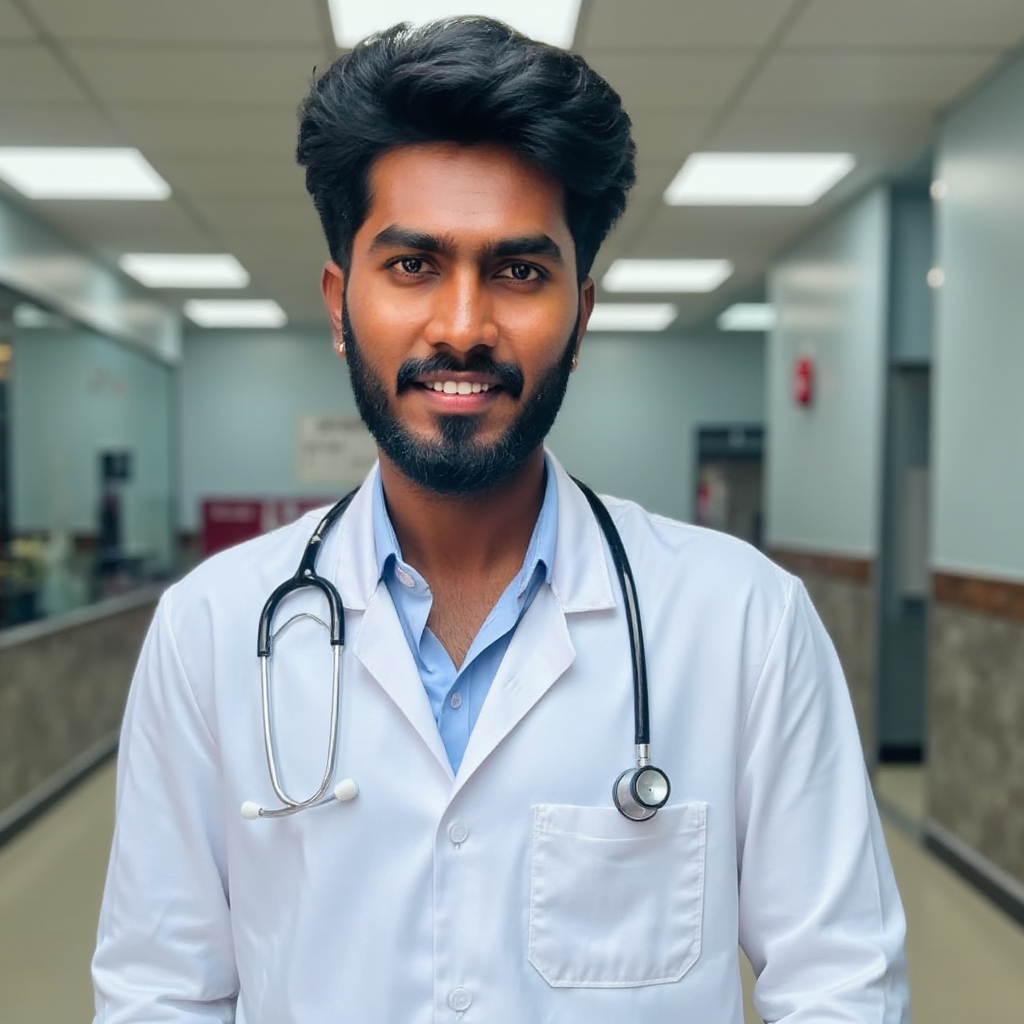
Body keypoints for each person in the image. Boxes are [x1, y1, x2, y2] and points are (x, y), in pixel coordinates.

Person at [92, 17, 909, 1023]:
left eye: (519, 271)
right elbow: (160, 993)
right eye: (413, 266)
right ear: (340, 303)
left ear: (582, 308)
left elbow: (841, 985)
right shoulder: (211, 627)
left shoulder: (742, 620)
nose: (463, 326)